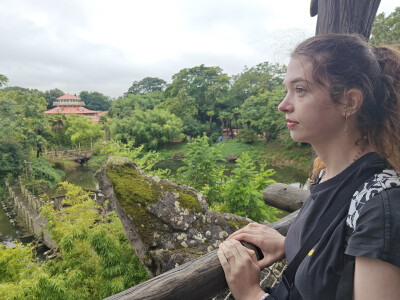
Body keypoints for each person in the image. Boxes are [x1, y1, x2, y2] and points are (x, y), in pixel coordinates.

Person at [217, 33, 400, 300]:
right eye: (286, 90)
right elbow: (336, 261)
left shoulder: (382, 206)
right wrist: (291, 245)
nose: (283, 105)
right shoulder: (327, 174)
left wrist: (251, 295)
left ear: (350, 101)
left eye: (300, 90)